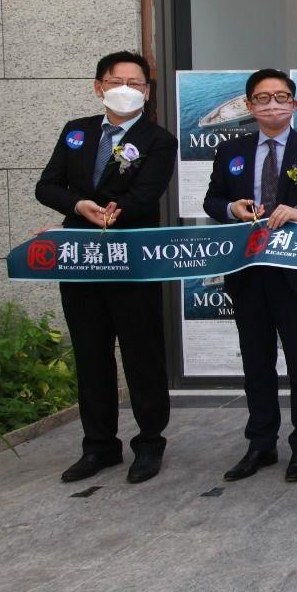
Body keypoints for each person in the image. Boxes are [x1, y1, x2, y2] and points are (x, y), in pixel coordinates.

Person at [36, 51, 178, 484]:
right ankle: (99, 445)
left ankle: (149, 443)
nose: (126, 90)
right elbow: (47, 186)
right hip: (81, 258)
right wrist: (79, 205)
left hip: (130, 256)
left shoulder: (158, 140)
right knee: (90, 352)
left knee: (142, 352)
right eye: (118, 82)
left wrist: (111, 214)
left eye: (136, 84)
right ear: (99, 86)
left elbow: (146, 195)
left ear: (147, 92)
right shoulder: (76, 132)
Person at [202, 69, 297, 483]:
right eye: (263, 98)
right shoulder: (231, 150)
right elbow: (212, 200)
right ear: (249, 106)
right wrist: (232, 209)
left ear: (294, 104)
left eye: (281, 97)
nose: (272, 104)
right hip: (247, 273)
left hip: (295, 274)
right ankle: (261, 445)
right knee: (256, 363)